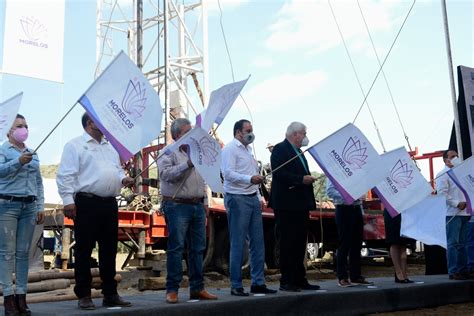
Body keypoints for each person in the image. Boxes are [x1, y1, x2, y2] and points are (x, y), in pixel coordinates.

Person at [56, 113, 134, 310]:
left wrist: (123, 179)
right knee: (84, 250)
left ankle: (110, 294)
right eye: (101, 121)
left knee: (109, 249)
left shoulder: (110, 148)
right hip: (86, 203)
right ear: (89, 123)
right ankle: (84, 294)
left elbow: (116, 171)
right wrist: (68, 201)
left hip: (109, 203)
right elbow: (66, 175)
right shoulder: (75, 145)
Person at [158, 118, 217, 304]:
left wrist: (206, 201)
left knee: (198, 248)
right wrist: (187, 164)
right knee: (176, 248)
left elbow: (205, 177)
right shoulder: (167, 152)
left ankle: (197, 288)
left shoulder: (197, 152)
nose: (192, 134)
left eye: (192, 130)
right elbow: (165, 175)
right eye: (187, 131)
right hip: (176, 205)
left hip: (197, 205)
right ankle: (172, 290)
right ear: (177, 135)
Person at [221, 119, 277, 296]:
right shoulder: (230, 149)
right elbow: (227, 174)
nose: (251, 133)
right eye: (248, 130)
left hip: (252, 198)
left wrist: (259, 195)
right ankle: (236, 285)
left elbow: (254, 176)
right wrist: (249, 180)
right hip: (237, 198)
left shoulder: (248, 150)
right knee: (238, 243)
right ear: (238, 132)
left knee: (257, 242)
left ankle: (258, 282)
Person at [0, 114, 44, 316]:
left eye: (26, 125)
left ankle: (22, 297)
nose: (23, 129)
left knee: (23, 254)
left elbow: (38, 182)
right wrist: (17, 162)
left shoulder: (32, 153)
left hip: (29, 207)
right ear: (9, 130)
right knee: (6, 253)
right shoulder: (2, 149)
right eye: (19, 126)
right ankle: (8, 298)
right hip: (7, 205)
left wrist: (40, 206)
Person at [269, 122, 320, 292]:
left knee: (300, 243)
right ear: (295, 134)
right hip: (286, 204)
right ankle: (287, 280)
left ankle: (300, 278)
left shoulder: (299, 151)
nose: (305, 137)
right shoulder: (280, 149)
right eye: (304, 133)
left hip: (300, 204)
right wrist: (301, 179)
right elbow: (279, 173)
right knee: (288, 242)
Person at [326, 181, 372, 287]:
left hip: (356, 208)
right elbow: (330, 191)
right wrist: (348, 197)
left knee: (357, 244)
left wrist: (362, 212)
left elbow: (359, 196)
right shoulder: (335, 172)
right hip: (343, 208)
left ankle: (355, 276)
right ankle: (342, 277)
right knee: (344, 243)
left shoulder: (355, 174)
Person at [436, 149, 470, 280]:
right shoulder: (443, 174)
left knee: (462, 243)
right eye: (452, 156)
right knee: (453, 243)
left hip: (465, 213)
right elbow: (442, 193)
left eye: (456, 156)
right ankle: (453, 271)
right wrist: (456, 203)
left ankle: (463, 269)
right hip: (453, 213)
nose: (455, 158)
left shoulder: (462, 173)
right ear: (446, 160)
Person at [383, 210, 415, 283]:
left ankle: (404, 272)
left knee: (403, 243)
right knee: (394, 241)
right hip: (391, 211)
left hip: (403, 212)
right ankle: (398, 272)